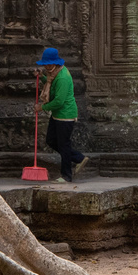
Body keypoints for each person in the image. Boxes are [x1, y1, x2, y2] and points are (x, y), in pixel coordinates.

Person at [37, 47, 87, 183]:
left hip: (66, 115)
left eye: (49, 64)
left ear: (55, 63)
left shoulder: (63, 77)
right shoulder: (53, 74)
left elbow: (59, 100)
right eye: (45, 64)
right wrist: (42, 77)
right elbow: (51, 86)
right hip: (57, 115)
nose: (47, 67)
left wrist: (42, 107)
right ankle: (78, 158)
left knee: (64, 145)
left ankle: (66, 176)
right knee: (51, 141)